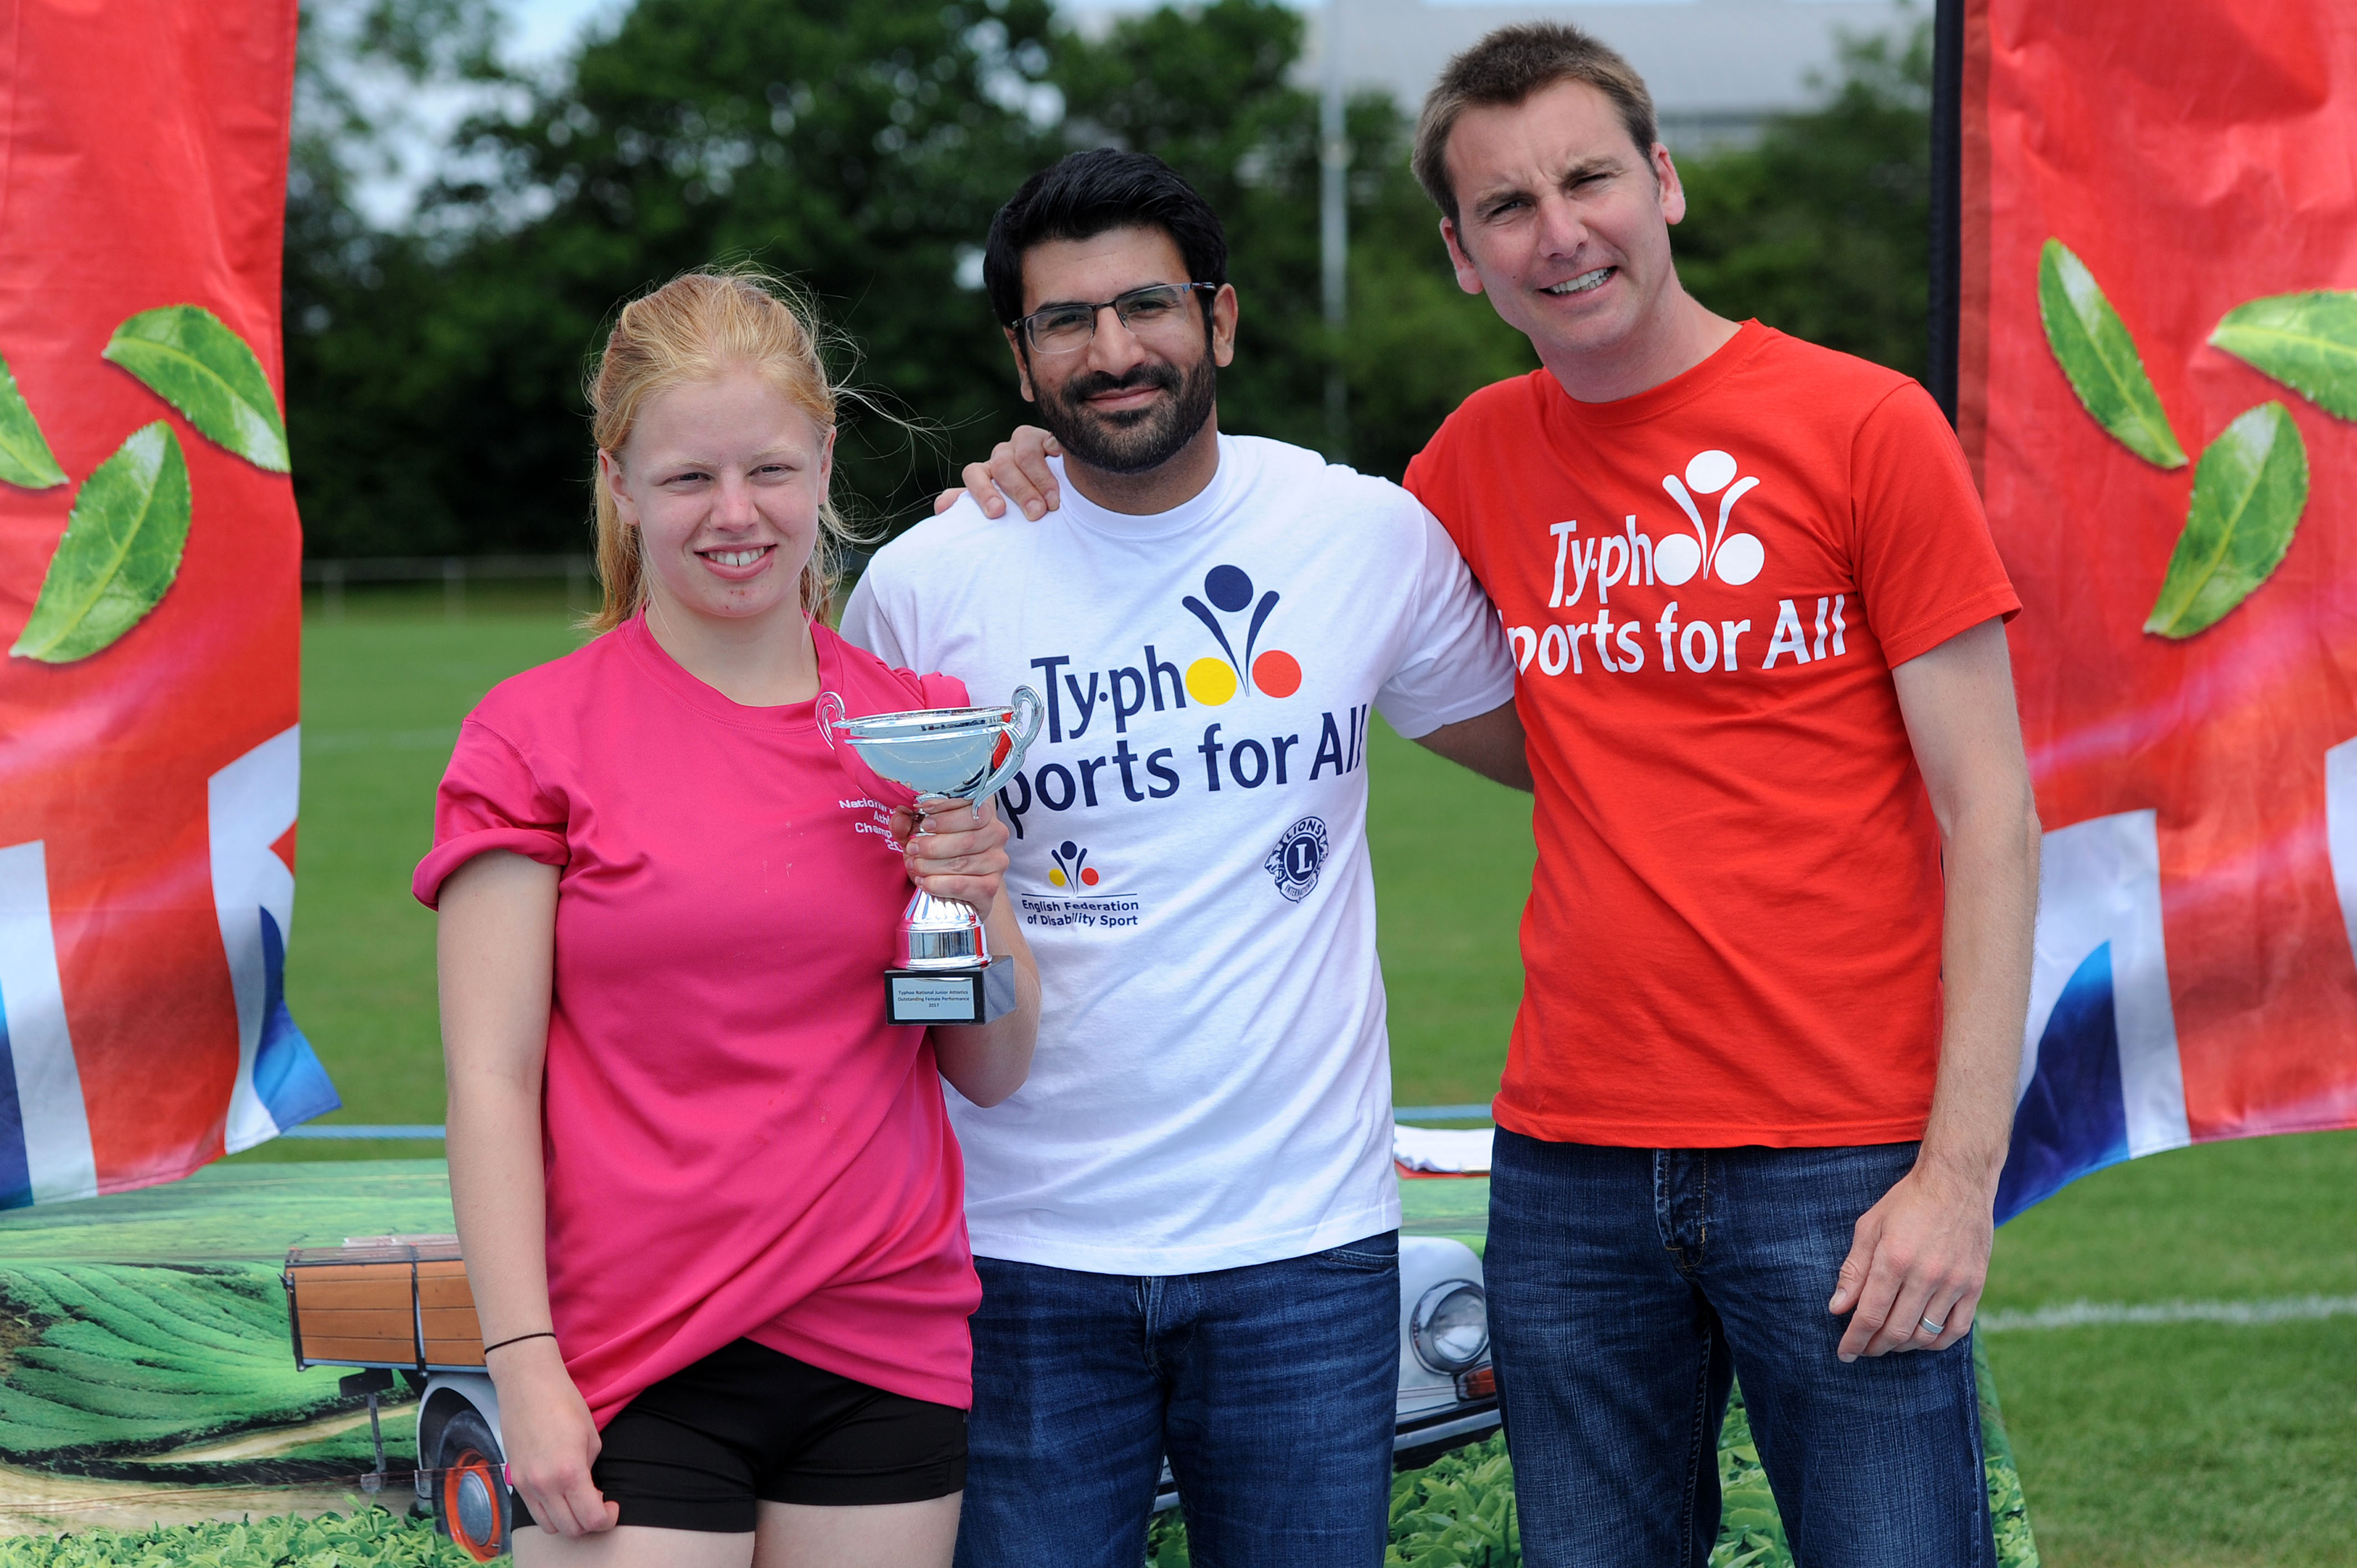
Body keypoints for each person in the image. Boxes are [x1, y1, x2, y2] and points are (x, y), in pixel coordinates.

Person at [956, 24, 2042, 1567]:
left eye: (1590, 178)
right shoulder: (1469, 463)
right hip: (1572, 1169)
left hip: (1841, 1152)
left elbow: (1993, 814)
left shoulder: (1865, 426)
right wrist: (1031, 485)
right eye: (1507, 208)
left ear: (1663, 183)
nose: (1562, 230)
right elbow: (1441, 686)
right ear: (1464, 258)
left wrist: (1956, 1174)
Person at [837, 149, 1527, 1568]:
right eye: (1065, 322)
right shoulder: (927, 580)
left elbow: (1555, 749)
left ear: (1219, 321)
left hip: (1303, 1250)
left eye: (1146, 306)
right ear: (1020, 362)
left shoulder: (1360, 537)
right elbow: (849, 890)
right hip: (1017, 1256)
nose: (1113, 351)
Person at [417, 269, 1039, 1568]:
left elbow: (990, 1065)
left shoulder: (915, 719)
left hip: (883, 1339)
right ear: (619, 484)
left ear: (823, 461)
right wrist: (521, 1362)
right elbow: (491, 1079)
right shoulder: (532, 735)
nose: (736, 515)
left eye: (769, 468)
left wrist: (977, 903)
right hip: (633, 1355)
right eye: (689, 479)